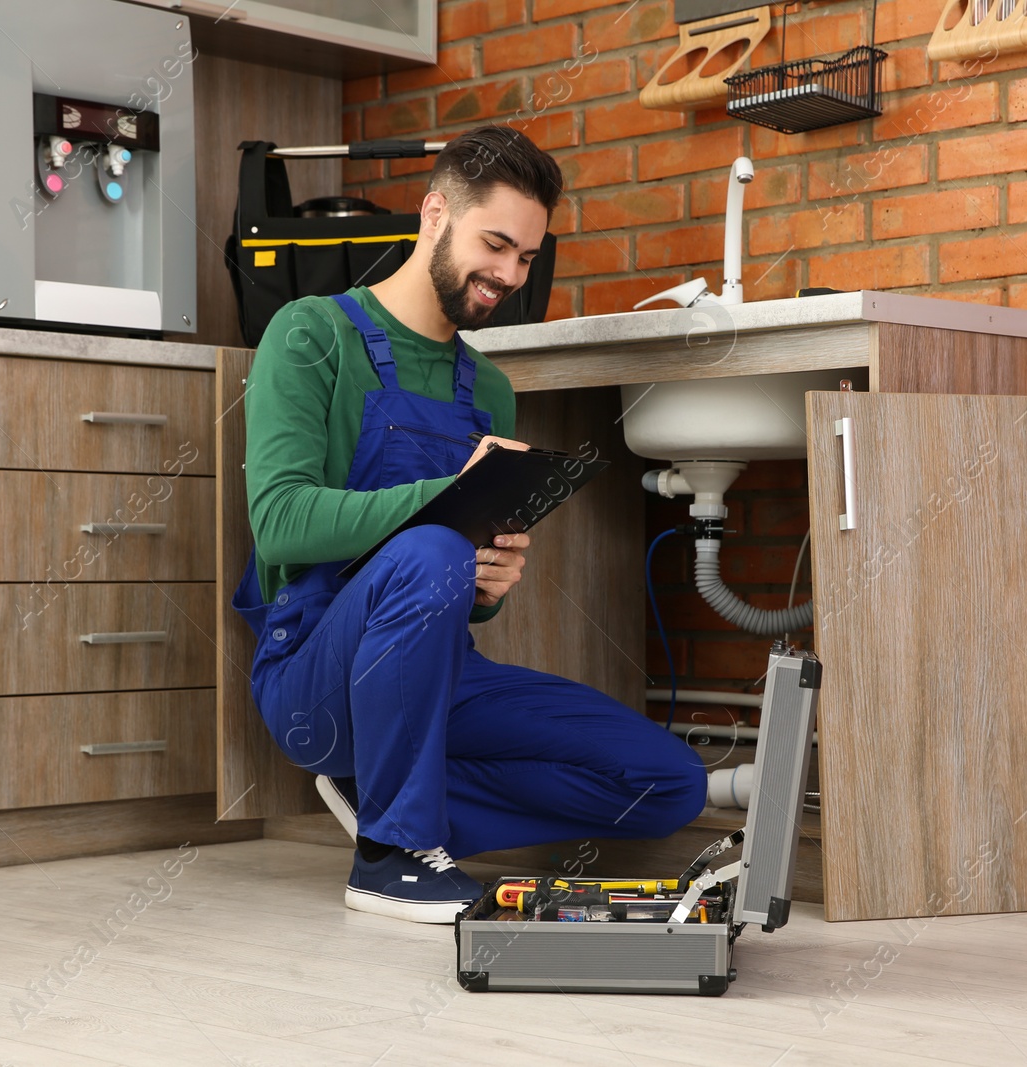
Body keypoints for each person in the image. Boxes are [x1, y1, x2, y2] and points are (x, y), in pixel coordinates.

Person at [231, 125, 705, 924]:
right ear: (434, 214)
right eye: (495, 244)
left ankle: (390, 800)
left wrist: (490, 581)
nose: (509, 276)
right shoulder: (313, 334)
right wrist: (443, 515)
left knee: (666, 782)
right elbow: (280, 522)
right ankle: (389, 859)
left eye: (526, 256)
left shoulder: (487, 387)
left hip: (445, 671)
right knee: (428, 551)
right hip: (313, 675)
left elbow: (463, 594)